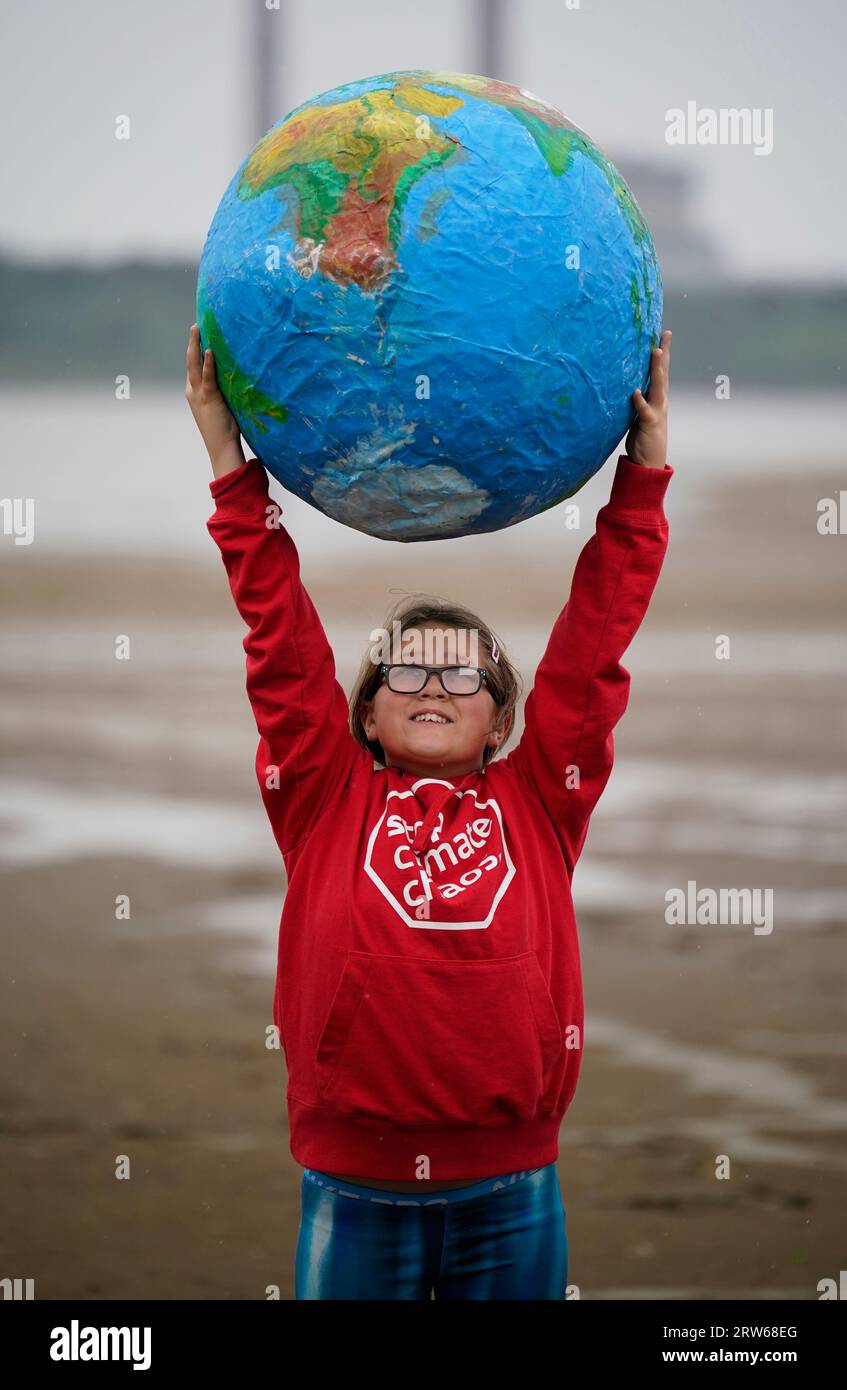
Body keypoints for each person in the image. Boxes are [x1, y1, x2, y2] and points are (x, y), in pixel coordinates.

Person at [186, 324, 673, 1299]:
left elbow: (593, 645)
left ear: (502, 718)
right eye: (408, 666)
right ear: (365, 709)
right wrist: (228, 465)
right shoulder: (325, 794)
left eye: (464, 671)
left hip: (513, 1175)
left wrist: (642, 480)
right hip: (353, 1176)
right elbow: (278, 640)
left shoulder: (543, 798)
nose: (436, 682)